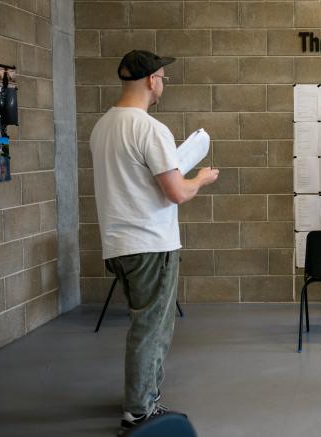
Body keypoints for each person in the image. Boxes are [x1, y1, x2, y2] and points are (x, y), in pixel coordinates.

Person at [90, 50, 219, 435]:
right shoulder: (150, 129)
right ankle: (140, 412)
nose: (163, 84)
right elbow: (176, 192)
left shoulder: (102, 127)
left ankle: (143, 396)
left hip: (118, 244)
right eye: (163, 77)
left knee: (142, 323)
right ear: (151, 80)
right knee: (152, 329)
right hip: (150, 244)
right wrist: (200, 178)